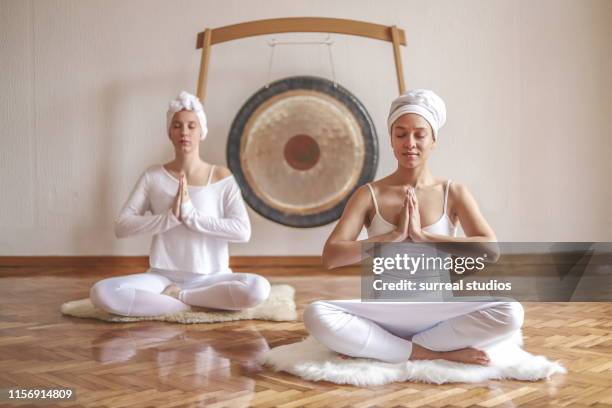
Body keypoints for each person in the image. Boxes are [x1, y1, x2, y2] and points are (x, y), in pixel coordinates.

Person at [303, 89, 524, 365]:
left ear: (434, 141)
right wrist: (391, 238)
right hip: (385, 313)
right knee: (316, 313)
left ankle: (386, 349)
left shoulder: (452, 192)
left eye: (420, 134)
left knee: (511, 312)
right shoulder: (369, 194)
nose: (410, 143)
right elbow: (331, 257)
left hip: (439, 312)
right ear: (391, 140)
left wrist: (424, 236)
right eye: (401, 134)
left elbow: (490, 250)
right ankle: (429, 352)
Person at [90, 91, 271, 317]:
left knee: (258, 288)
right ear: (169, 132)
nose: (184, 132)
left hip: (212, 277)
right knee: (102, 292)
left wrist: (191, 216)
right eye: (177, 125)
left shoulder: (221, 177)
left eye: (191, 125)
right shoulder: (153, 176)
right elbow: (122, 226)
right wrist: (169, 219)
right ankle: (184, 304)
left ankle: (180, 299)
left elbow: (243, 232)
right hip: (162, 278)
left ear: (201, 130)